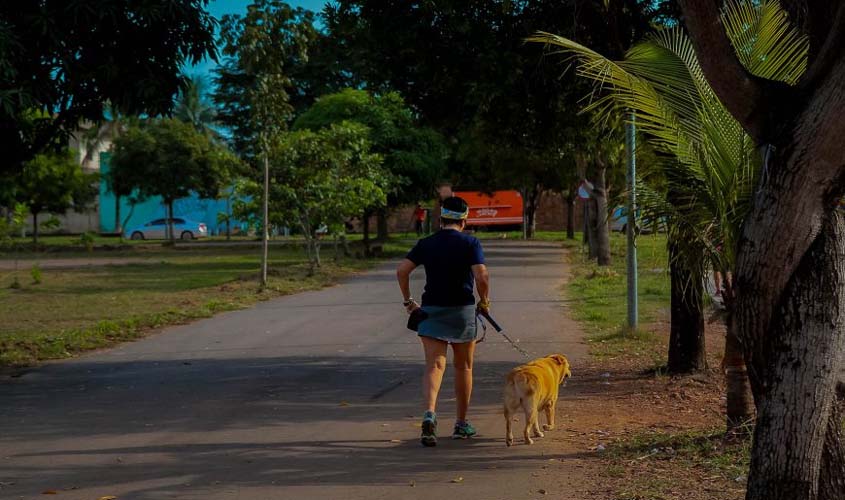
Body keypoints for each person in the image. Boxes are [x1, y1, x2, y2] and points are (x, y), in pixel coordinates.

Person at [396, 196, 491, 447]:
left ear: (441, 219)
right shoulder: (470, 243)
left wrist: (408, 301)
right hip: (461, 311)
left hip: (431, 311)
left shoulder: (426, 243)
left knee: (434, 366)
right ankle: (461, 424)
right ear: (464, 220)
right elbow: (481, 276)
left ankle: (429, 414)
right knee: (463, 367)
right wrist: (484, 301)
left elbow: (402, 270)